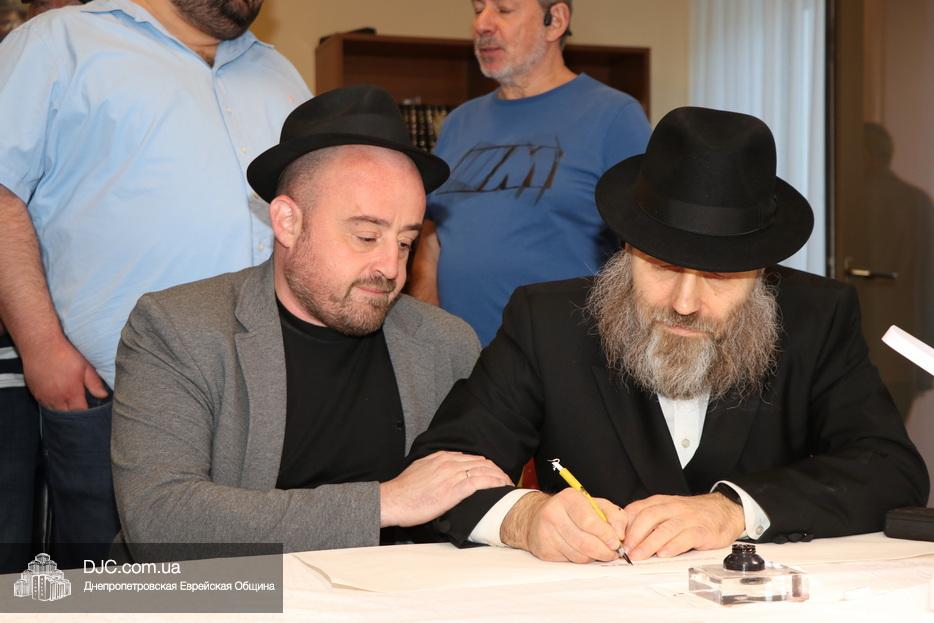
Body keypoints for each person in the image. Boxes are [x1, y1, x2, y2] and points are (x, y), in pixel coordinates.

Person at [410, 106, 929, 564]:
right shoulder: (545, 321)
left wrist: (733, 510)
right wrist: (523, 518)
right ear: (626, 250)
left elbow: (890, 469)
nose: (684, 303)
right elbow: (442, 466)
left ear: (759, 273)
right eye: (661, 266)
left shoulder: (818, 317)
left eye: (719, 277)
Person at [111, 85, 511, 557]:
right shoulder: (179, 329)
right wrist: (384, 503)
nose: (391, 269)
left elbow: (478, 500)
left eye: (405, 242)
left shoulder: (445, 344)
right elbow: (160, 519)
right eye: (366, 236)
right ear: (287, 222)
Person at [0, 0, 310, 568]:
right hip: (107, 395)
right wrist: (40, 346)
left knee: (248, 587)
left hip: (266, 401)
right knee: (115, 594)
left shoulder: (279, 72)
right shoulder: (58, 43)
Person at [408, 0, 651, 345]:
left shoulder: (615, 116)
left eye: (504, 9)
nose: (482, 24)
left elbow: (646, 250)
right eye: (478, 9)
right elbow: (432, 239)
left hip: (561, 359)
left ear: (555, 21)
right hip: (457, 360)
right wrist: (426, 340)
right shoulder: (458, 122)